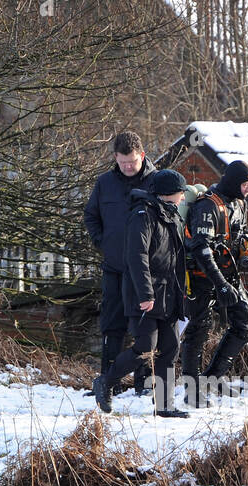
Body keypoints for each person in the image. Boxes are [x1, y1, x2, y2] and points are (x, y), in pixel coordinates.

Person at [92, 169, 189, 418]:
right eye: (180, 193)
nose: (182, 198)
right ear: (168, 194)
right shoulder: (142, 215)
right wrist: (146, 294)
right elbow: (137, 257)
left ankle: (165, 405)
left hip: (167, 294)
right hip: (143, 294)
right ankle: (105, 381)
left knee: (170, 346)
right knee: (146, 346)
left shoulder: (171, 216)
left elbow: (176, 261)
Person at [181, 160, 248, 407]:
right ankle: (192, 391)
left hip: (228, 277)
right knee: (199, 329)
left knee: (246, 322)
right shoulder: (208, 206)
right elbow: (201, 249)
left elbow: (239, 239)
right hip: (202, 279)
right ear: (236, 182)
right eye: (246, 184)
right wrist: (221, 284)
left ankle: (213, 378)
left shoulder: (239, 204)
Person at [83, 131, 156, 394]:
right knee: (111, 325)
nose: (128, 166)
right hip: (114, 266)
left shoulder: (156, 182)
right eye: (123, 161)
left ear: (142, 156)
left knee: (144, 327)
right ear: (115, 157)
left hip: (145, 271)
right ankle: (107, 383)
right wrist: (103, 242)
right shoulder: (104, 183)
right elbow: (91, 216)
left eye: (133, 161)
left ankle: (144, 384)